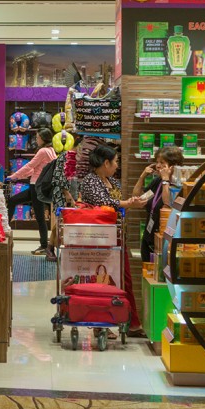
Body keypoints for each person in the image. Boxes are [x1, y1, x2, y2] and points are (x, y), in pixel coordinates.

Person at [78, 144, 144, 337]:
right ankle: (101, 324)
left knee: (125, 279)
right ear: (106, 163)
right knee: (102, 279)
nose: (117, 165)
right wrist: (128, 203)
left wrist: (130, 203)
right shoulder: (90, 181)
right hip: (99, 238)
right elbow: (104, 203)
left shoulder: (112, 181)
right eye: (115, 162)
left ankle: (132, 322)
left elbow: (117, 205)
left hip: (117, 235)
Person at [6, 128, 57, 258]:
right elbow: (35, 169)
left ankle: (44, 246)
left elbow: (30, 166)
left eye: (38, 137)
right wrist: (17, 177)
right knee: (12, 201)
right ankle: (6, 228)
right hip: (38, 186)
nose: (36, 139)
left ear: (43, 138)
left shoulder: (43, 151)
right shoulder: (51, 151)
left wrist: (14, 176)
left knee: (40, 217)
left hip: (36, 186)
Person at [135, 146, 184, 263]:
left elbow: (167, 204)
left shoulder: (177, 186)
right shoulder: (157, 181)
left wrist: (166, 180)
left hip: (163, 243)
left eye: (162, 163)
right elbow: (137, 198)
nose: (157, 166)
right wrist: (142, 176)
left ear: (173, 166)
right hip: (148, 239)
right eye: (157, 162)